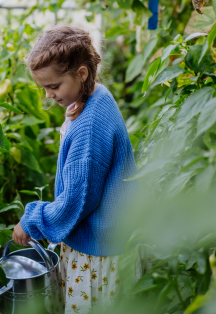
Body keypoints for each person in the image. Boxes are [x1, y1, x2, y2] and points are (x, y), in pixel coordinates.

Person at [12, 24, 140, 314]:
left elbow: (76, 201)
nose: (48, 95)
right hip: (112, 242)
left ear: (82, 74)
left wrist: (31, 220)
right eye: (43, 87)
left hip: (98, 252)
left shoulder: (89, 127)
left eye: (54, 86)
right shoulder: (96, 97)